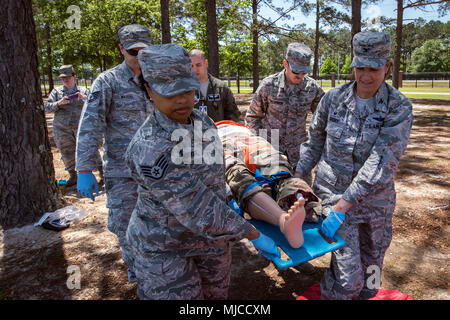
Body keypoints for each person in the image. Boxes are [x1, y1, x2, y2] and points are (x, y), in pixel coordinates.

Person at [124, 43, 286, 300]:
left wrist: (230, 197)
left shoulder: (202, 121)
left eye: (187, 90)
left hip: (212, 243)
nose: (181, 100)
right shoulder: (150, 147)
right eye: (169, 93)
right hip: (166, 248)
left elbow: (213, 171)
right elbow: (197, 207)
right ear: (148, 90)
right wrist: (253, 234)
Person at [295, 31, 413, 300]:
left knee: (371, 279)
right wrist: (300, 178)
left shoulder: (398, 107)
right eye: (360, 68)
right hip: (334, 199)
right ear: (353, 65)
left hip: (375, 206)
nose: (366, 76)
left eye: (374, 68)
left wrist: (344, 205)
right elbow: (314, 142)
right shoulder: (333, 99)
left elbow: (382, 161)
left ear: (388, 67)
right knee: (348, 281)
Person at [75, 24, 153, 282]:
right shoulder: (107, 82)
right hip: (123, 173)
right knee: (126, 225)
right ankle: (138, 275)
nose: (139, 57)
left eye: (145, 51)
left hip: (159, 170)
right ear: (121, 49)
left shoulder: (159, 79)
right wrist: (85, 168)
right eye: (133, 52)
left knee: (158, 224)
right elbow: (90, 126)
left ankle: (157, 270)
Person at [216, 120, 323, 248]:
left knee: (245, 175)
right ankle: (293, 210)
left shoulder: (203, 125)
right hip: (237, 140)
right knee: (270, 172)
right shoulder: (211, 125)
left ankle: (289, 213)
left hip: (238, 140)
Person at [245, 43, 324, 181]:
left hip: (299, 156)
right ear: (285, 64)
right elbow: (252, 118)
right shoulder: (269, 85)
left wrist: (313, 148)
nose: (300, 75)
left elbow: (323, 119)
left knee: (301, 195)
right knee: (271, 195)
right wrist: (262, 148)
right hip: (270, 152)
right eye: (296, 71)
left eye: (304, 72)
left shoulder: (312, 88)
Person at [45, 65, 96, 186]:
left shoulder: (84, 91)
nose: (65, 80)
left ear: (74, 76)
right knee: (67, 153)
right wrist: (59, 103)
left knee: (89, 150)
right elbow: (47, 108)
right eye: (63, 78)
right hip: (62, 129)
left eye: (68, 77)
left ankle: (101, 174)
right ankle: (73, 176)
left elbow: (95, 104)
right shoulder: (56, 92)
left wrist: (85, 99)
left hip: (81, 128)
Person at [189, 49, 241, 122]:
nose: (195, 69)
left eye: (198, 65)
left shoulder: (221, 87)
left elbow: (233, 113)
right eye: (191, 66)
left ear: (206, 63)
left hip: (218, 131)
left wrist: (225, 127)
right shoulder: (185, 90)